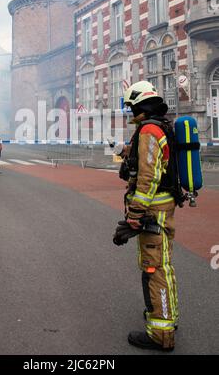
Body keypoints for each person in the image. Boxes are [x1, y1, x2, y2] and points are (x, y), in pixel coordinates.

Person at [113, 81, 179, 352]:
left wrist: (135, 215)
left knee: (154, 268)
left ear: (141, 104)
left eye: (131, 107)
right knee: (161, 264)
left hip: (153, 210)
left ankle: (161, 333)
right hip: (160, 207)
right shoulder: (157, 126)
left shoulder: (150, 130)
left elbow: (149, 176)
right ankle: (166, 316)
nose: (129, 112)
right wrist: (126, 151)